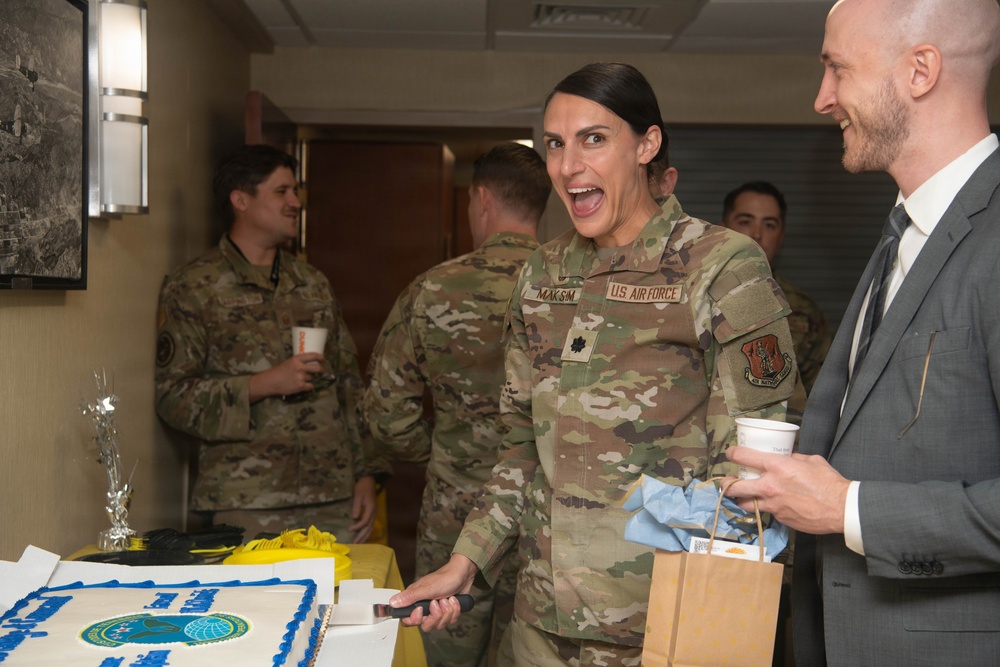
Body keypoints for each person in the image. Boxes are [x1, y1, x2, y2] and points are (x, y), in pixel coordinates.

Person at [388, 62, 798, 665]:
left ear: (647, 145)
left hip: (661, 621)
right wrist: (465, 560)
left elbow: (756, 463)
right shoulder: (543, 273)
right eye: (555, 143)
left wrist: (716, 624)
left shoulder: (721, 265)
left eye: (594, 139)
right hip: (541, 621)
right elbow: (522, 444)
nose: (568, 165)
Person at [723, 1, 1000, 665]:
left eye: (836, 70)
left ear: (921, 70)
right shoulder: (903, 233)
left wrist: (848, 508)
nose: (822, 99)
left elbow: (851, 500)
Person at [363, 142, 549, 667]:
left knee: (443, 645)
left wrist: (446, 450)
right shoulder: (568, 287)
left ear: (481, 198)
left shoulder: (432, 287)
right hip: (543, 509)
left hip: (455, 506)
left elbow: (385, 413)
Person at [155, 144, 389, 544]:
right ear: (240, 199)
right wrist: (263, 384)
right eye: (281, 192)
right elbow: (173, 398)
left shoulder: (312, 282)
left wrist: (368, 475)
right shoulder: (194, 286)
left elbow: (350, 387)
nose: (295, 202)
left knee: (340, 604)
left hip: (332, 499)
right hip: (246, 499)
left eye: (295, 191)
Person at [722, 181, 833, 394]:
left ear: (781, 236)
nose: (756, 234)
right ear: (723, 228)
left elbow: (821, 398)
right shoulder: (694, 295)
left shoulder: (805, 313)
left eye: (769, 225)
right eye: (745, 221)